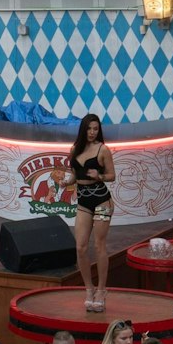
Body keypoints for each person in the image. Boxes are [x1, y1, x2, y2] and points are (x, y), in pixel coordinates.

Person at [66, 115, 117, 312]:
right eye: (89, 128)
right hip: (84, 201)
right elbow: (74, 176)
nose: (92, 132)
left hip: (102, 201)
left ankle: (102, 290)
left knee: (99, 244)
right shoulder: (74, 149)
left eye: (95, 129)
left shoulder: (103, 150)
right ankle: (89, 288)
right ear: (83, 129)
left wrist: (100, 175)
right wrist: (66, 181)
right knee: (80, 246)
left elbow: (112, 176)